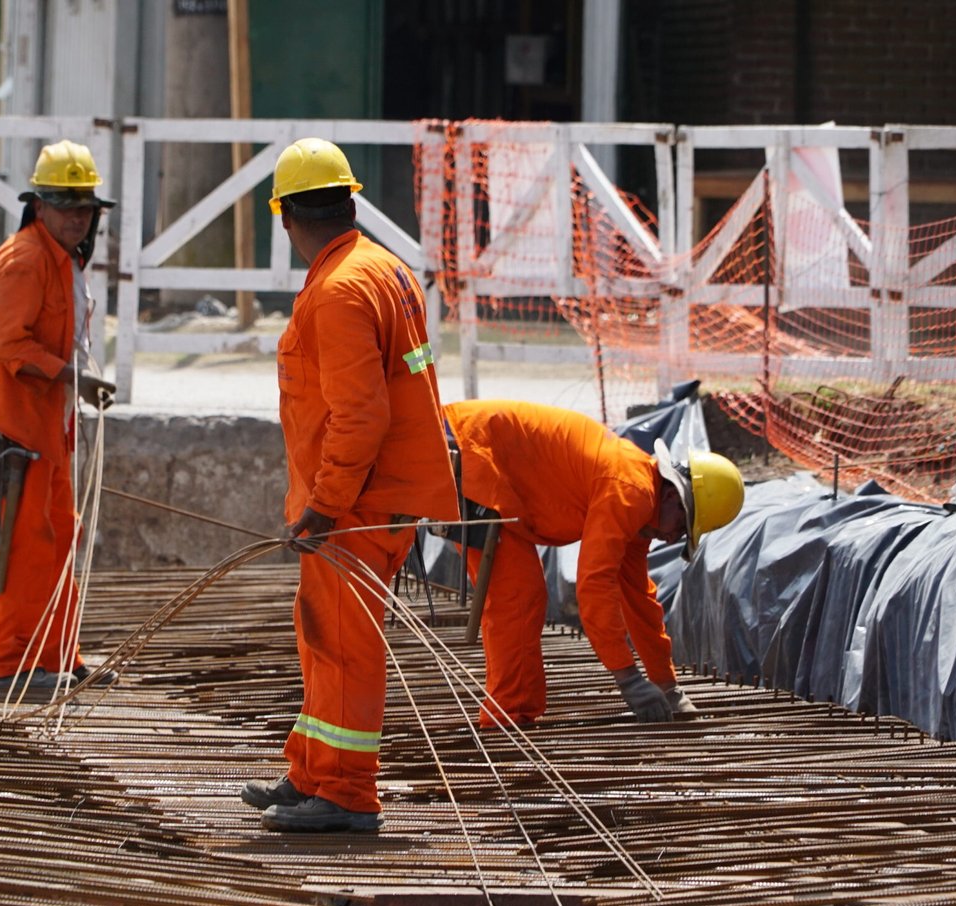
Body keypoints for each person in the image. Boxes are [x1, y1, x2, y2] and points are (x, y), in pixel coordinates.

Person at [240, 137, 458, 834]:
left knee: (344, 644)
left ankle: (346, 792)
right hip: (374, 496)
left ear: (285, 218)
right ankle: (311, 770)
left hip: (355, 505)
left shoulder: (338, 291)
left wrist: (325, 504)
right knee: (322, 638)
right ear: (348, 201)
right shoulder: (382, 269)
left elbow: (361, 415)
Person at [442, 399, 744, 727]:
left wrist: (666, 685)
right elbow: (594, 585)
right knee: (519, 597)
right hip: (471, 449)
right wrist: (627, 678)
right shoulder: (631, 491)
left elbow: (638, 599)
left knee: (524, 594)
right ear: (674, 497)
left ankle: (514, 716)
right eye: (682, 529)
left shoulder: (643, 503)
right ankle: (507, 723)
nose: (673, 540)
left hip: (489, 464)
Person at [0, 140, 116, 702]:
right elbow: (4, 341)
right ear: (39, 207)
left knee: (61, 536)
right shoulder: (25, 259)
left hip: (45, 423)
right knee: (23, 548)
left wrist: (74, 380)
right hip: (13, 425)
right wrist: (72, 377)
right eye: (65, 207)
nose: (76, 217)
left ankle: (58, 656)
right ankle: (13, 665)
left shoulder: (59, 258)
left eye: (84, 208)